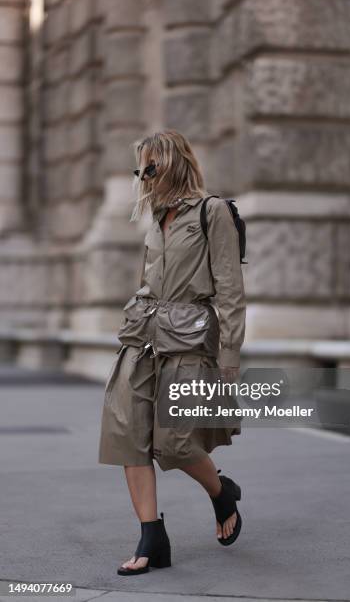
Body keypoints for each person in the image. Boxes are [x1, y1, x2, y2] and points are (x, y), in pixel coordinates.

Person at [98, 130, 246, 575]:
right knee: (127, 433)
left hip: (189, 340)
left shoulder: (213, 213)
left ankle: (222, 493)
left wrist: (230, 358)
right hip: (142, 337)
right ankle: (152, 538)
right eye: (138, 170)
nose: (142, 177)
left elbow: (231, 292)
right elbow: (148, 282)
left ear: (173, 164)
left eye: (150, 167)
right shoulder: (154, 219)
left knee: (178, 442)